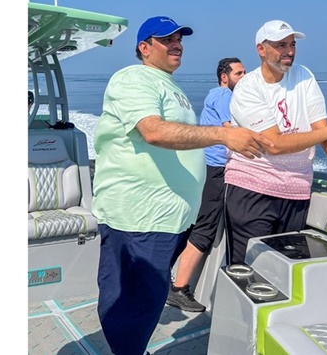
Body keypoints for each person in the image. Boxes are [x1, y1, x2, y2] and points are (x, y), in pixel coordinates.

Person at [91, 16, 273, 355]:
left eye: (179, 38)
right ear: (144, 48)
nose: (177, 44)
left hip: (166, 219)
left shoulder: (166, 84)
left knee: (146, 298)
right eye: (166, 39)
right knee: (131, 300)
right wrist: (223, 134)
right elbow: (154, 131)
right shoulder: (134, 78)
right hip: (137, 217)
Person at [225, 20, 327, 265]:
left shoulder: (303, 76)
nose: (289, 51)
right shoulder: (247, 88)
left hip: (296, 190)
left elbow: (321, 128)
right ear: (261, 49)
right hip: (252, 188)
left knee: (283, 270)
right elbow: (274, 144)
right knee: (248, 271)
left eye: (292, 44)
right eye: (280, 45)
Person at [166, 58, 246, 313]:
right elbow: (232, 130)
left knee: (193, 224)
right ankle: (179, 290)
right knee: (204, 229)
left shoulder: (218, 94)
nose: (245, 77)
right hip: (214, 169)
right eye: (239, 73)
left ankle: (164, 276)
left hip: (206, 166)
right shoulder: (224, 95)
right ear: (225, 77)